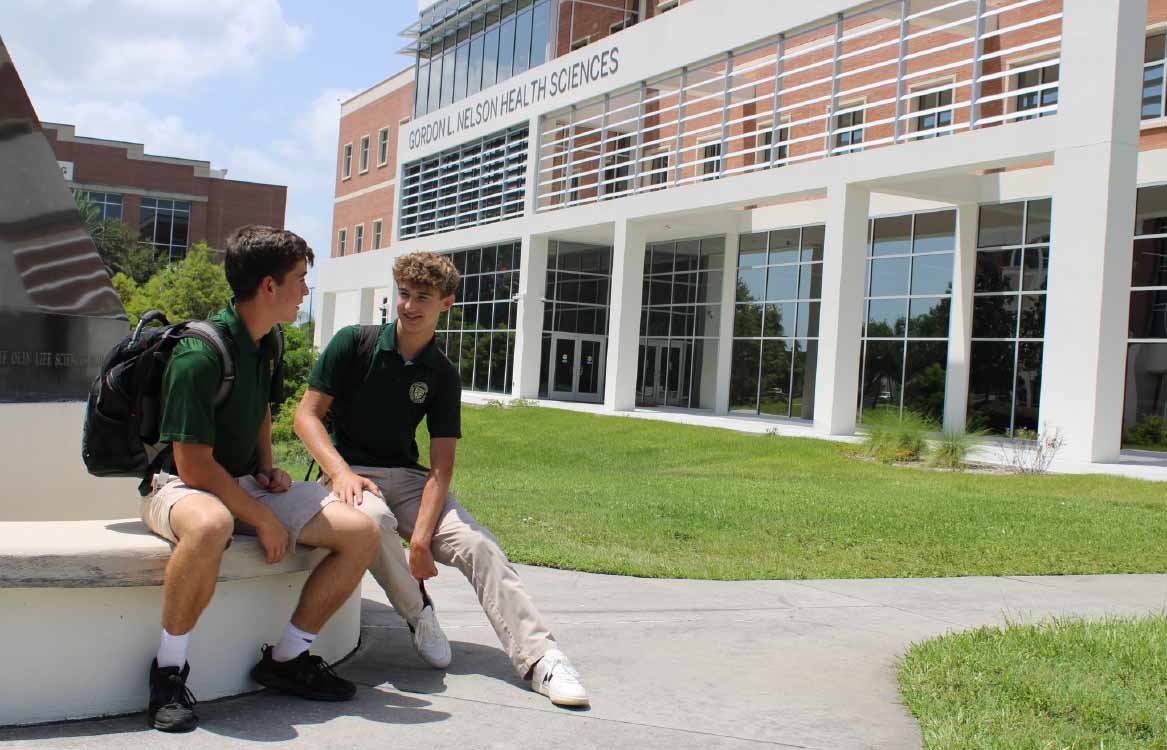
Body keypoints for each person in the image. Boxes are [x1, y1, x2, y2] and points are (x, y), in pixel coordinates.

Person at [295, 251, 589, 707]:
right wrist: (340, 471)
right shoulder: (354, 343)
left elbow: (441, 468)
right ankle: (419, 612)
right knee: (372, 526)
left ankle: (542, 658)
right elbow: (306, 416)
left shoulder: (442, 374)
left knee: (479, 546)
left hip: (410, 480)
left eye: (423, 299)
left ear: (446, 304)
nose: (409, 306)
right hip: (349, 476)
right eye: (405, 295)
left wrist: (422, 539)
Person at [140, 226, 379, 732]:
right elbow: (194, 466)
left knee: (362, 532)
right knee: (209, 526)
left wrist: (266, 467)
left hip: (243, 482)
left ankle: (289, 659)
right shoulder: (198, 354)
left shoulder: (267, 340)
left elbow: (262, 414)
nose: (305, 291)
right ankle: (167, 670)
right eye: (299, 280)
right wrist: (264, 519)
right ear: (269, 287)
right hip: (179, 487)